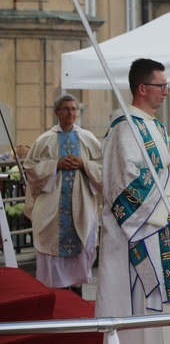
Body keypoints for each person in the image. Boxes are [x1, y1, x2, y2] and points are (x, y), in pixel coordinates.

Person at [95, 58, 170, 344]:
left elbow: (168, 172)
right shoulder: (124, 129)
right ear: (142, 88)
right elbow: (122, 192)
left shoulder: (154, 127)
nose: (166, 91)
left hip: (165, 237)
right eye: (161, 85)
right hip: (144, 242)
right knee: (148, 328)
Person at [24, 94, 102, 295]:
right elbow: (31, 168)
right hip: (53, 209)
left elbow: (104, 167)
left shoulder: (88, 138)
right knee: (53, 261)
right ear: (56, 112)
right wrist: (55, 165)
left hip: (81, 205)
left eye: (74, 109)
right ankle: (55, 300)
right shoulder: (45, 140)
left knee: (79, 259)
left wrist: (84, 164)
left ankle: (76, 298)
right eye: (66, 109)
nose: (71, 113)